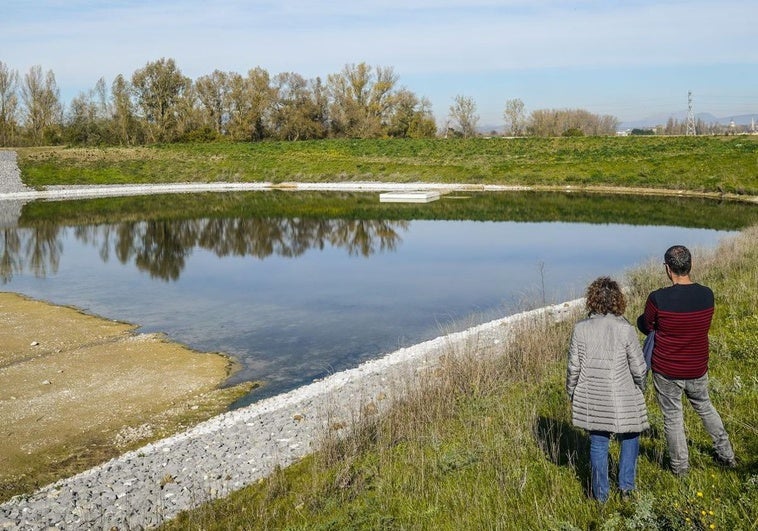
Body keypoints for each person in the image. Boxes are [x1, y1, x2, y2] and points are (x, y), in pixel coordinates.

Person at [637, 245, 736, 476]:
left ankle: (680, 468)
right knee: (705, 406)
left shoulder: (657, 298)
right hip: (697, 366)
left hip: (667, 369)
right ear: (690, 265)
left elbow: (646, 325)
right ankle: (726, 454)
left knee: (672, 417)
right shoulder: (707, 295)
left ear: (668, 269)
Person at [567, 277, 649, 502]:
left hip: (592, 395)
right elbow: (638, 367)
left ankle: (600, 496)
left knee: (598, 442)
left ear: (592, 300)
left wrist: (572, 391)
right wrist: (640, 388)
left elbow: (574, 366)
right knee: (631, 435)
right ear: (617, 300)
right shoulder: (625, 329)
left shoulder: (580, 329)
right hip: (623, 393)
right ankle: (626, 488)